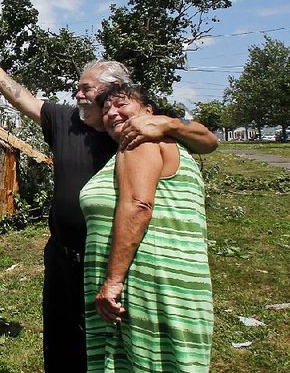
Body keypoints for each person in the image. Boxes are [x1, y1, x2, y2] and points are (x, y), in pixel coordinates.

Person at [0, 51, 218, 372]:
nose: (78, 95)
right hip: (63, 256)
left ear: (113, 91)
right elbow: (24, 101)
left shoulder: (141, 131)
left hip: (114, 261)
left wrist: (167, 122)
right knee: (62, 343)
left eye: (86, 89)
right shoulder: (66, 120)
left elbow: (208, 140)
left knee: (112, 347)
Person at [80, 83, 213, 371]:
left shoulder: (139, 140)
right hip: (171, 283)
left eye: (121, 104)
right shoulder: (167, 140)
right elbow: (210, 141)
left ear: (148, 112)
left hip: (146, 288)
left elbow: (138, 205)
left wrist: (113, 281)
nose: (112, 113)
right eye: (106, 109)